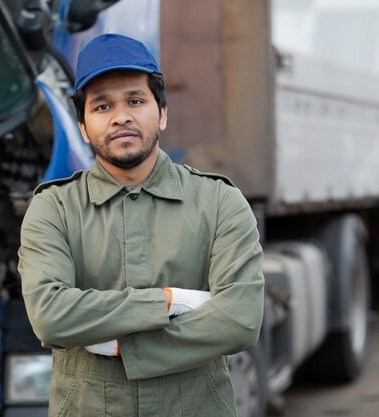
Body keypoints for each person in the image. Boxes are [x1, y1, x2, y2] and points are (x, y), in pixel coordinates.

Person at [18, 33, 264, 417]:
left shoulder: (219, 202)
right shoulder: (54, 208)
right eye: (101, 106)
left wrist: (123, 346)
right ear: (83, 126)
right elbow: (50, 316)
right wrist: (168, 302)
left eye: (135, 100)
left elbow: (239, 320)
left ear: (162, 112)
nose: (121, 117)